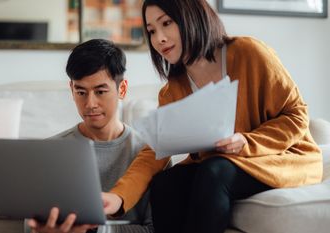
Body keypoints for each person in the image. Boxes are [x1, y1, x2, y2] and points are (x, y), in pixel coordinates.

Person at [102, 0, 323, 233]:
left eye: (166, 23)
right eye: (152, 31)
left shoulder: (250, 53)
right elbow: (154, 152)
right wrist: (119, 196)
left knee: (215, 171)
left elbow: (297, 115)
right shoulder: (173, 90)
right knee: (166, 183)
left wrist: (248, 142)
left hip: (282, 157)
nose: (159, 38)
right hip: (225, 165)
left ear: (192, 16)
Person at [27, 39, 154, 233]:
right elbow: (30, 227)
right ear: (72, 90)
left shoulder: (150, 153)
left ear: (122, 89)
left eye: (100, 91)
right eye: (81, 92)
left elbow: (155, 229)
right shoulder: (50, 150)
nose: (90, 103)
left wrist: (92, 231)